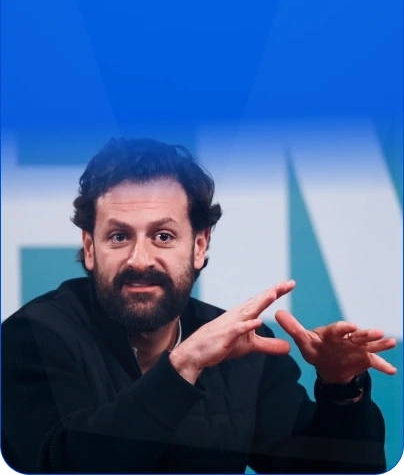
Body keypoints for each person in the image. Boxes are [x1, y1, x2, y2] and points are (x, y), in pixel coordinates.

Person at [1, 138, 397, 474]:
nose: (140, 259)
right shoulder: (33, 337)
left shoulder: (243, 349)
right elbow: (59, 463)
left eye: (163, 235)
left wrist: (341, 388)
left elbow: (336, 468)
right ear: (90, 248)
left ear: (199, 245)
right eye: (119, 236)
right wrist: (183, 366)